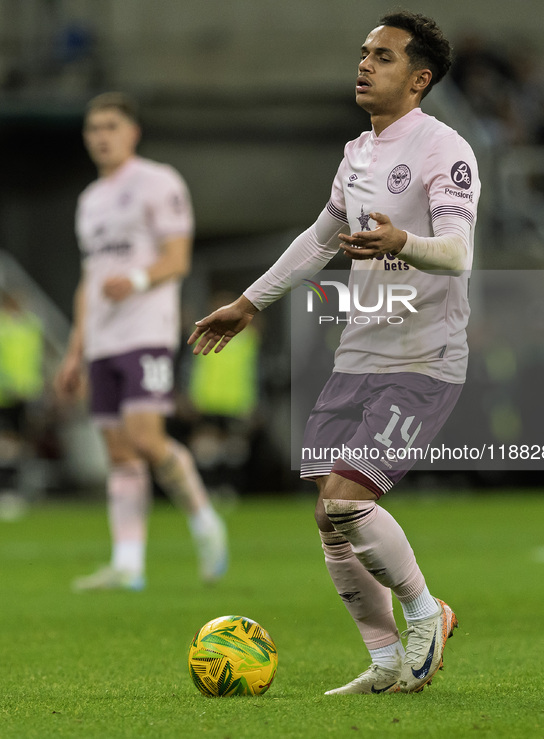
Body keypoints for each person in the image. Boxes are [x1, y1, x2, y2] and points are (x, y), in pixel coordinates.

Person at [189, 10, 480, 694]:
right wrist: (250, 301)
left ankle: (423, 614)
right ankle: (384, 659)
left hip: (423, 357)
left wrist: (402, 242)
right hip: (359, 355)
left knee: (348, 502)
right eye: (362, 52)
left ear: (418, 79)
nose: (363, 62)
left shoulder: (445, 150)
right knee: (328, 515)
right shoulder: (356, 154)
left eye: (381, 56)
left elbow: (459, 253)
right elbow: (320, 239)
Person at [55, 92, 228, 591]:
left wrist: (132, 280)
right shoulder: (90, 201)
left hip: (146, 331)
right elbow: (89, 281)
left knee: (146, 438)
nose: (100, 137)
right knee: (118, 452)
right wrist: (73, 350)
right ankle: (128, 564)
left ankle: (204, 520)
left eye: (110, 126)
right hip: (102, 341)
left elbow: (177, 258)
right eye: (93, 129)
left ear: (132, 132)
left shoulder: (158, 182)